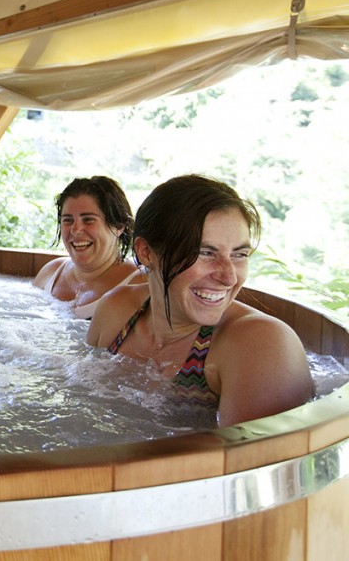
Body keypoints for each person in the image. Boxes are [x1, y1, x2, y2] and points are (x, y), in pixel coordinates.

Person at [86, 175, 315, 427]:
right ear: (146, 252)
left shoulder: (262, 343)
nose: (228, 276)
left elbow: (252, 463)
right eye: (206, 253)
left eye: (239, 254)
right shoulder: (116, 312)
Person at [32, 176, 142, 318]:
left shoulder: (139, 285)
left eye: (88, 220)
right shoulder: (51, 273)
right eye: (68, 220)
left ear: (119, 226)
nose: (75, 230)